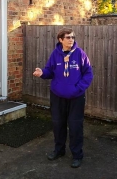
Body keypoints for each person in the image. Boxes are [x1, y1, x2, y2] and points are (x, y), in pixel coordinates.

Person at [33, 28, 93, 168]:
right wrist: (42, 72)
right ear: (60, 40)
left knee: (75, 126)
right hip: (58, 96)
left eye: (72, 37)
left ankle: (77, 155)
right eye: (67, 37)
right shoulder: (55, 54)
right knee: (58, 124)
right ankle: (59, 150)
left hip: (76, 98)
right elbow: (50, 71)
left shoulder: (80, 54)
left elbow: (88, 74)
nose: (71, 39)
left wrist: (78, 88)